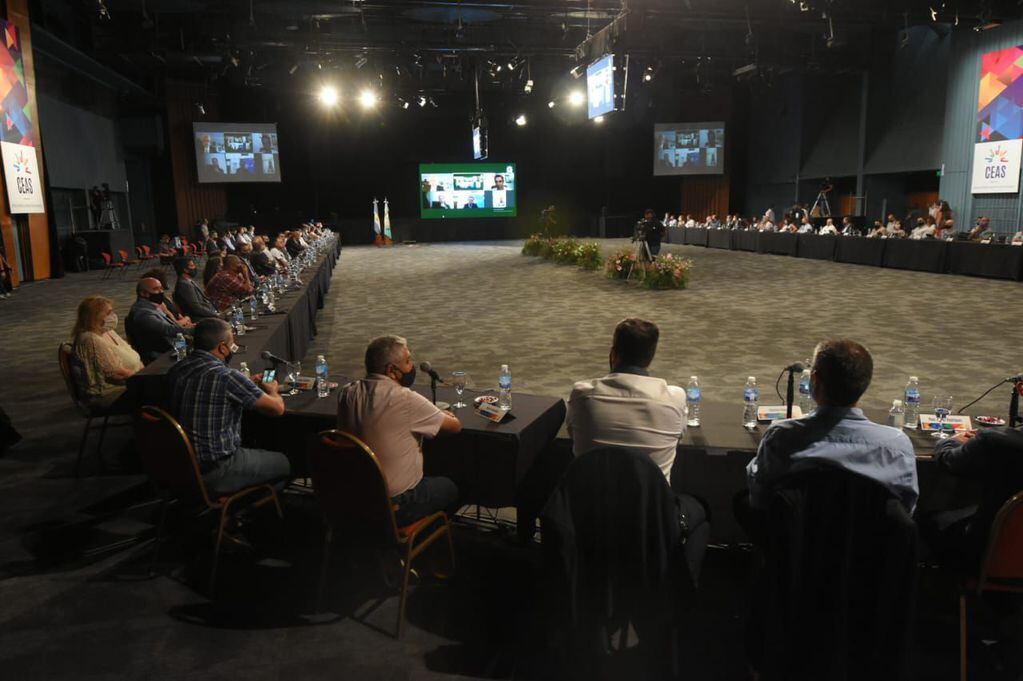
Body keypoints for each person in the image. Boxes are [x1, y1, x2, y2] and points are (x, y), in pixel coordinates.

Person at [567, 318, 709, 582]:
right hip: (651, 517)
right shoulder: (675, 396)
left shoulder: (582, 394)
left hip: (589, 511)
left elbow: (571, 433)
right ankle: (676, 592)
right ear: (650, 357)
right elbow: (678, 437)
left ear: (613, 354)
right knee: (701, 511)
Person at [739, 339, 918, 543]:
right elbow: (905, 511)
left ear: (814, 380)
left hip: (799, 551)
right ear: (866, 382)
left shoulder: (781, 436)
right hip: (867, 554)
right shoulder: (897, 445)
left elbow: (759, 498)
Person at [336, 335, 463, 526]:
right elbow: (455, 427)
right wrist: (445, 413)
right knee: (453, 487)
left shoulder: (347, 392)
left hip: (350, 495)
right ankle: (418, 537)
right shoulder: (404, 399)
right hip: (394, 506)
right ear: (391, 370)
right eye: (407, 361)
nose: (412, 366)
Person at [167, 318, 290, 495]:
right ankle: (249, 505)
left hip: (183, 464)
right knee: (285, 462)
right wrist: (273, 390)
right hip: (218, 468)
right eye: (233, 344)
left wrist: (245, 383)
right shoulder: (226, 376)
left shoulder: (178, 368)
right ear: (222, 348)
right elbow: (277, 409)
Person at [922, 403, 1023, 573]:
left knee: (927, 517)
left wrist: (950, 441)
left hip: (985, 550)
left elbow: (948, 460)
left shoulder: (995, 441)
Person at [71, 296, 144, 409]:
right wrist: (144, 378)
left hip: (129, 382)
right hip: (108, 394)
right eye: (109, 313)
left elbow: (131, 353)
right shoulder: (90, 339)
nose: (113, 316)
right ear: (95, 317)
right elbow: (115, 374)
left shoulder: (107, 332)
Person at [125, 277, 194, 364]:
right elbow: (168, 330)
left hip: (175, 348)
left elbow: (173, 330)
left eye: (161, 288)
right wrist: (195, 330)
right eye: (156, 289)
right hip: (164, 355)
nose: (161, 291)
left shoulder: (152, 306)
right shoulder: (143, 313)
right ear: (143, 293)